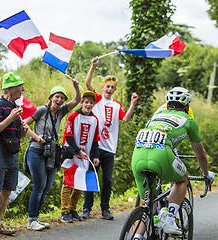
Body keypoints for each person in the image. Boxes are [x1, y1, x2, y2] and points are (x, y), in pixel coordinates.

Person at [131, 87, 214, 239]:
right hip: (161, 156)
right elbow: (200, 154)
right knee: (181, 179)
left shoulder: (156, 116)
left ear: (167, 105)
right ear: (187, 106)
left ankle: (137, 236)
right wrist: (205, 174)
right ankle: (169, 219)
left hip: (137, 156)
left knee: (146, 204)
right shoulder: (188, 120)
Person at [81, 56, 138, 220]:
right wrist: (93, 66)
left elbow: (125, 119)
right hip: (95, 146)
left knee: (107, 180)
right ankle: (87, 208)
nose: (110, 89)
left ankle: (105, 209)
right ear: (102, 87)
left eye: (113, 87)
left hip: (110, 148)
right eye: (107, 86)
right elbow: (87, 83)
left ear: (115, 89)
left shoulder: (117, 105)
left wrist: (133, 103)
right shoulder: (97, 99)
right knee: (91, 176)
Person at [24, 80, 81, 231]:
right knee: (39, 186)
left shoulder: (60, 112)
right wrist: (36, 137)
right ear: (51, 98)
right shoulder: (41, 110)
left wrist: (76, 87)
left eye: (62, 98)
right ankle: (31, 220)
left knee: (47, 187)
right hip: (36, 151)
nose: (59, 100)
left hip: (51, 154)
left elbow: (77, 100)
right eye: (57, 97)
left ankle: (36, 219)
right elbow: (24, 124)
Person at [60, 91, 100, 223]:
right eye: (86, 102)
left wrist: (95, 156)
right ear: (81, 103)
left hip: (84, 156)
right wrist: (77, 151)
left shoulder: (95, 120)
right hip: (71, 154)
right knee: (68, 183)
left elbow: (95, 140)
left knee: (79, 184)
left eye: (91, 103)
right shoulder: (73, 116)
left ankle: (72, 209)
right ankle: (64, 211)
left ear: (94, 104)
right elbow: (68, 136)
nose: (88, 105)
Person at [0, 72, 28, 236]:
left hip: (13, 152)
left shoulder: (16, 108)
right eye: (19, 86)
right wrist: (10, 118)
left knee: (7, 190)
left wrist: (22, 131)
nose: (22, 89)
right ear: (9, 88)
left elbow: (16, 136)